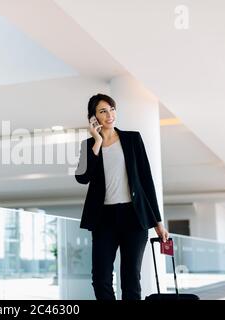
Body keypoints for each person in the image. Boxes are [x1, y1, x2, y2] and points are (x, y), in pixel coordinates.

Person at [75, 93, 169, 300]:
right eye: (103, 111)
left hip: (134, 216)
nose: (110, 115)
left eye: (112, 109)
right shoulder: (88, 146)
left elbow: (146, 181)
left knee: (130, 277)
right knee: (100, 277)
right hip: (104, 218)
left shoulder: (132, 139)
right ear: (93, 117)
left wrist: (157, 222)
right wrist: (97, 141)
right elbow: (82, 178)